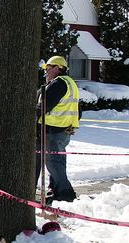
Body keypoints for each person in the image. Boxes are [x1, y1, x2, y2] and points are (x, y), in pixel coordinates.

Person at [36, 55, 80, 204]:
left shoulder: (58, 84)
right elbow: (77, 110)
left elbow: (44, 106)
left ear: (57, 68)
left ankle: (65, 192)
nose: (46, 72)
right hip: (63, 129)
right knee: (58, 161)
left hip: (53, 130)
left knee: (53, 162)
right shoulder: (70, 83)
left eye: (48, 69)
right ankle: (54, 189)